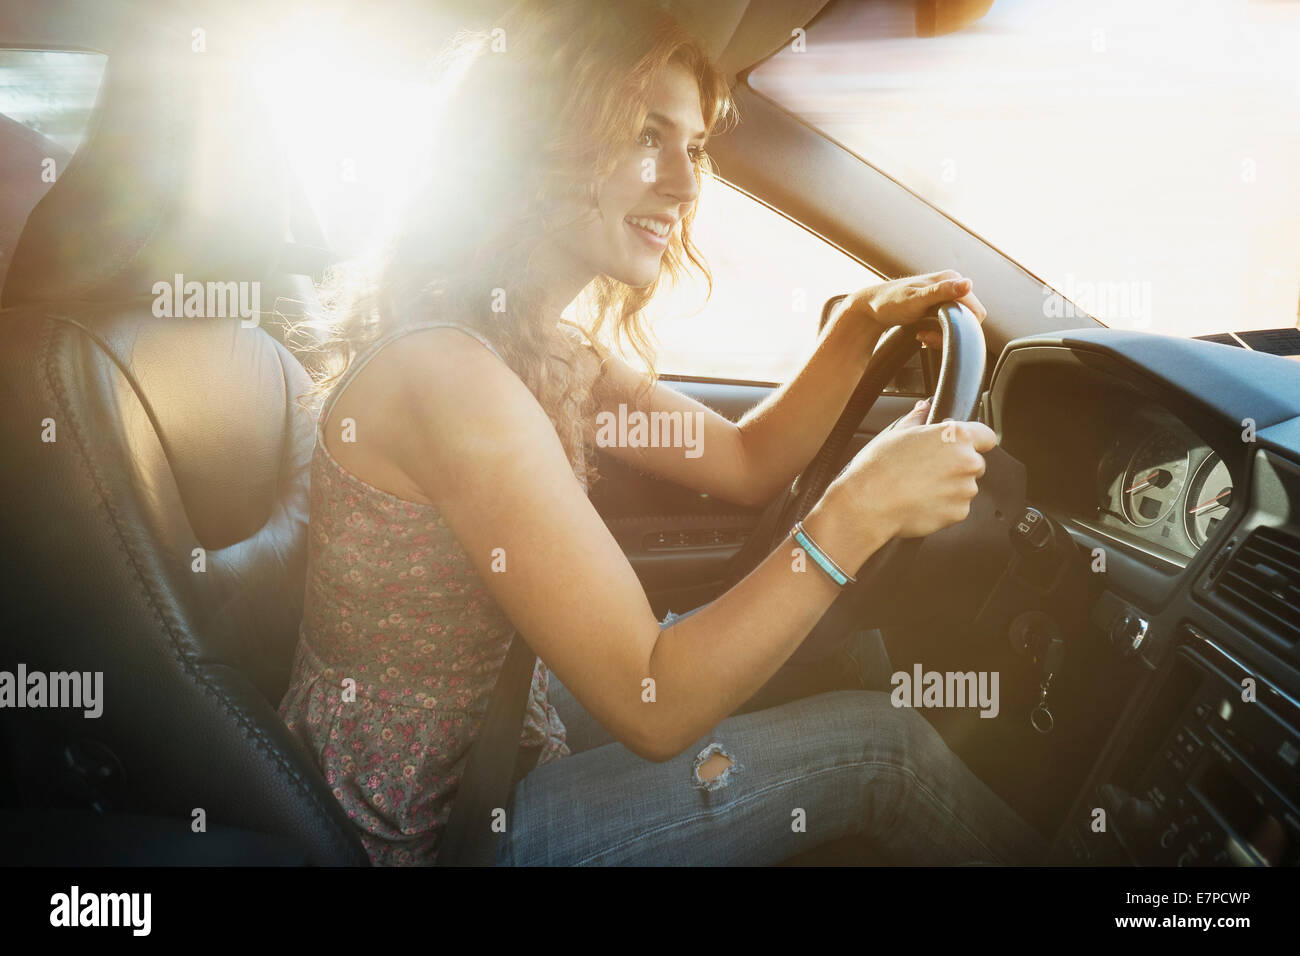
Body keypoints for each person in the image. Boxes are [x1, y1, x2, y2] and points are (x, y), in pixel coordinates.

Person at [278, 0, 1047, 866]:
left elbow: (746, 461)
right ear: (535, 138)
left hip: (498, 732)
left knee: (844, 657)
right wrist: (858, 512)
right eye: (648, 134)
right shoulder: (450, 381)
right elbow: (653, 702)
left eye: (692, 147)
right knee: (887, 754)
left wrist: (859, 326)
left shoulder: (538, 348)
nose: (685, 187)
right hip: (436, 833)